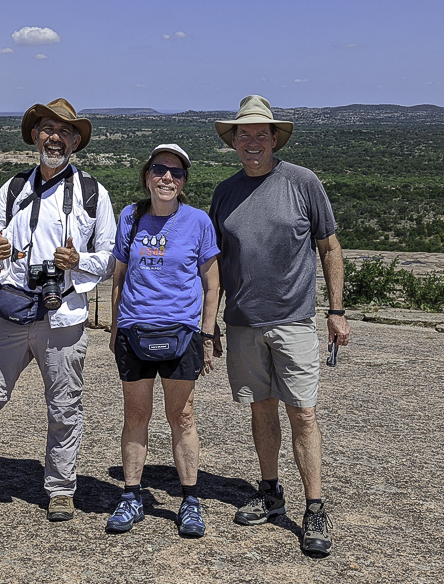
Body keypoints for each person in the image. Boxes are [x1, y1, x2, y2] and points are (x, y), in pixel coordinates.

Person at [0, 98, 116, 523]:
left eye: (64, 131)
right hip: (11, 311)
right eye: (47, 129)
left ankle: (60, 488)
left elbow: (109, 257)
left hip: (63, 316)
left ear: (75, 141)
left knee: (64, 408)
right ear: (35, 135)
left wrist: (78, 263)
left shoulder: (92, 193)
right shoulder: (14, 188)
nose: (55, 137)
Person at [209, 95, 350, 554]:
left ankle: (314, 507)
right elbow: (213, 266)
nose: (252, 141)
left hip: (293, 322)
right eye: (243, 134)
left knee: (303, 413)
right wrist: (207, 323)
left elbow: (329, 247)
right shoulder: (225, 193)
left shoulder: (302, 182)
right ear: (234, 142)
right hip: (243, 323)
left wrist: (336, 310)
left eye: (260, 133)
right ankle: (270, 491)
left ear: (274, 138)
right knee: (261, 409)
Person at [107, 144, 220, 537]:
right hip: (136, 329)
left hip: (182, 332)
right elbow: (119, 276)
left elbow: (212, 282)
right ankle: (132, 496)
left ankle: (189, 500)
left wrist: (207, 334)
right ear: (147, 175)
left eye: (176, 173)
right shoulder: (131, 216)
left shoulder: (198, 221)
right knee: (136, 416)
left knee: (182, 417)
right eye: (159, 170)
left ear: (184, 181)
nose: (167, 178)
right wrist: (115, 326)